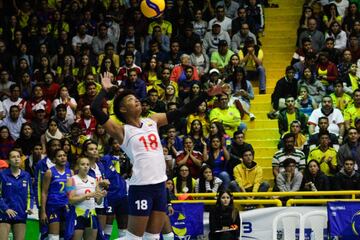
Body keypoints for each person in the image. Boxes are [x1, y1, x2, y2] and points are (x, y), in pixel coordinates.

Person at [90, 72, 224, 239]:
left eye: (136, 98)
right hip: (141, 187)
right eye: (131, 100)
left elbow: (183, 110)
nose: (136, 100)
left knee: (152, 237)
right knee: (134, 238)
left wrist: (206, 94)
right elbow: (95, 109)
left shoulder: (152, 120)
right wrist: (105, 90)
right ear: (123, 109)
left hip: (160, 185)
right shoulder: (122, 130)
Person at [67, 157, 107, 240]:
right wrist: (87, 196)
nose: (85, 166)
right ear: (78, 166)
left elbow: (98, 202)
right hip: (77, 215)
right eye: (83, 164)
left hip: (91, 215)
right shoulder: (71, 180)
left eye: (87, 164)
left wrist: (101, 196)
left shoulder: (93, 180)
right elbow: (70, 200)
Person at [0, 150, 33, 240]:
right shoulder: (2, 175)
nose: (16, 159)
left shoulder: (26, 175)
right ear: (9, 160)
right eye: (13, 157)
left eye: (18, 157)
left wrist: (29, 207)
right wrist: (5, 208)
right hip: (4, 215)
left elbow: (30, 194)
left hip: (20, 214)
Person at [40, 149, 72, 240]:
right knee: (53, 237)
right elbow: (44, 192)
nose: (62, 157)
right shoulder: (49, 172)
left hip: (66, 207)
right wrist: (43, 211)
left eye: (64, 155)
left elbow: (71, 192)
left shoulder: (70, 172)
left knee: (65, 235)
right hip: (53, 206)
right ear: (54, 159)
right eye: (59, 156)